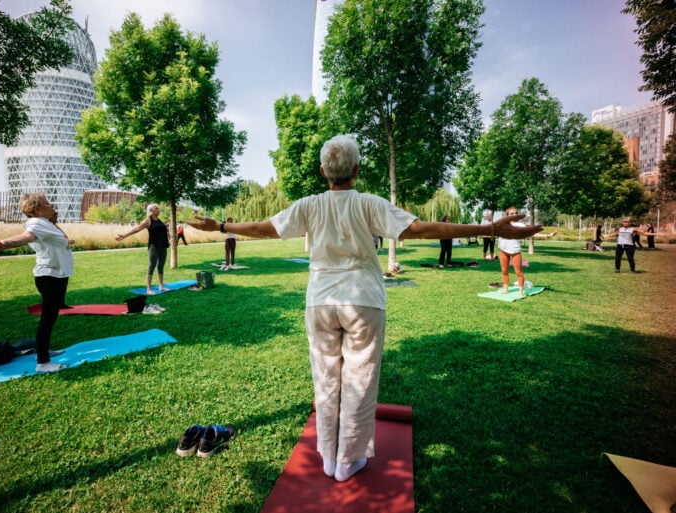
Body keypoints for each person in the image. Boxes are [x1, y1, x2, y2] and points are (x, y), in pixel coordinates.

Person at [187, 135, 543, 482]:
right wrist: (489, 228)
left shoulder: (310, 205)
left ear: (322, 171)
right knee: (358, 379)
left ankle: (330, 458)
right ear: (356, 170)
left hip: (321, 302)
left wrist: (220, 226)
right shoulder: (370, 203)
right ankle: (348, 461)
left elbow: (265, 229)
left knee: (326, 379)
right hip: (364, 301)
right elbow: (419, 230)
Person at [0, 193, 71, 373]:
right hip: (50, 276)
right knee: (47, 318)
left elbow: (60, 239)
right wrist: (3, 243)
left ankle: (43, 350)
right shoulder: (37, 223)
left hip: (57, 275)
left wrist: (58, 227)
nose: (51, 205)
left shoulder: (47, 224)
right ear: (37, 209)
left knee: (51, 316)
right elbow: (26, 236)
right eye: (47, 203)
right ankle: (43, 363)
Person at [497, 207, 558, 297]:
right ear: (507, 215)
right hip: (503, 250)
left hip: (515, 251)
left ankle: (521, 291)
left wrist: (548, 235)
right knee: (504, 271)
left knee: (518, 272)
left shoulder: (521, 225)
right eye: (512, 213)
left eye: (516, 213)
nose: (514, 215)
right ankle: (506, 289)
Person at [116, 203, 169, 294]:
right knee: (151, 266)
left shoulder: (159, 220)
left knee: (161, 266)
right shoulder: (148, 220)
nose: (158, 210)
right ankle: (149, 288)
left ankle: (161, 286)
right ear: (151, 210)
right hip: (154, 247)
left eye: (158, 208)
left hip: (163, 246)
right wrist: (124, 236)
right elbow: (137, 229)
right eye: (156, 208)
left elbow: (163, 231)